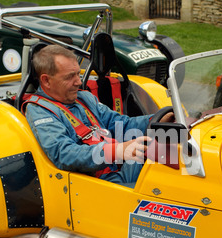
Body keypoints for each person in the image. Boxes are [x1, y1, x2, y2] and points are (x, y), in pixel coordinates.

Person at [24, 45, 173, 186]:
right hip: (97, 183)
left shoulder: (84, 98)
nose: (78, 82)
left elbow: (119, 123)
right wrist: (117, 151)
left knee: (175, 169)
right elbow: (65, 154)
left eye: (78, 74)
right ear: (46, 80)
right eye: (70, 77)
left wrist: (155, 120)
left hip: (121, 168)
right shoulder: (39, 110)